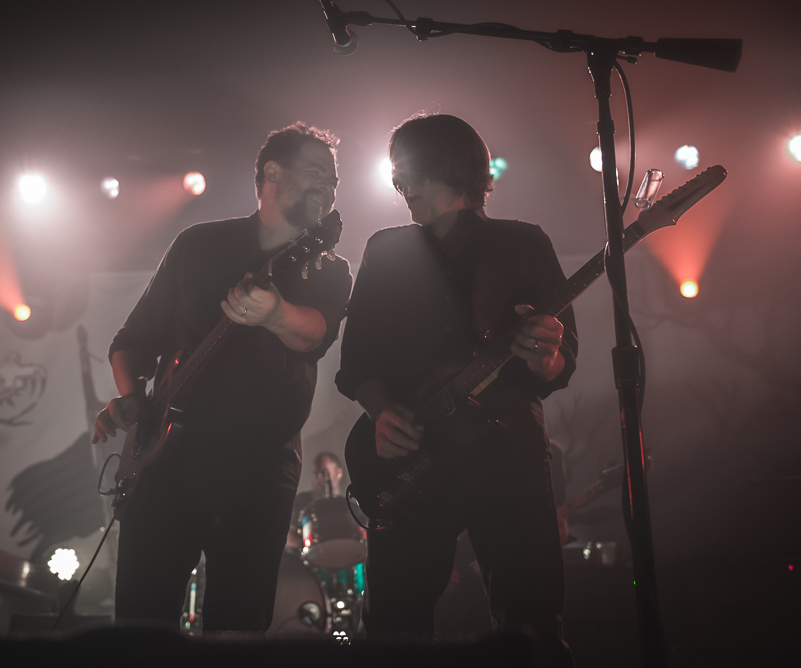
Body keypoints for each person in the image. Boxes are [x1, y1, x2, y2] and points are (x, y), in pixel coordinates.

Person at [335, 113, 577, 664]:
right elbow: (357, 363)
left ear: (446, 166)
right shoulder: (386, 248)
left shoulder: (523, 243)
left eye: (407, 172)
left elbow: (563, 362)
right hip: (413, 458)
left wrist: (546, 352)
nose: (400, 186)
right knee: (394, 624)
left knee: (532, 621)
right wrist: (381, 413)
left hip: (507, 452)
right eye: (394, 175)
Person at [92, 123, 352, 633]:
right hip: (167, 460)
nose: (328, 187)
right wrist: (132, 400)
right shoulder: (198, 244)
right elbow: (131, 340)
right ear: (271, 172)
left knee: (237, 627)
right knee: (141, 625)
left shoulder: (327, 266)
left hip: (259, 467)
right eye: (316, 173)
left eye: (334, 180)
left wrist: (275, 313)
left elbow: (315, 335)